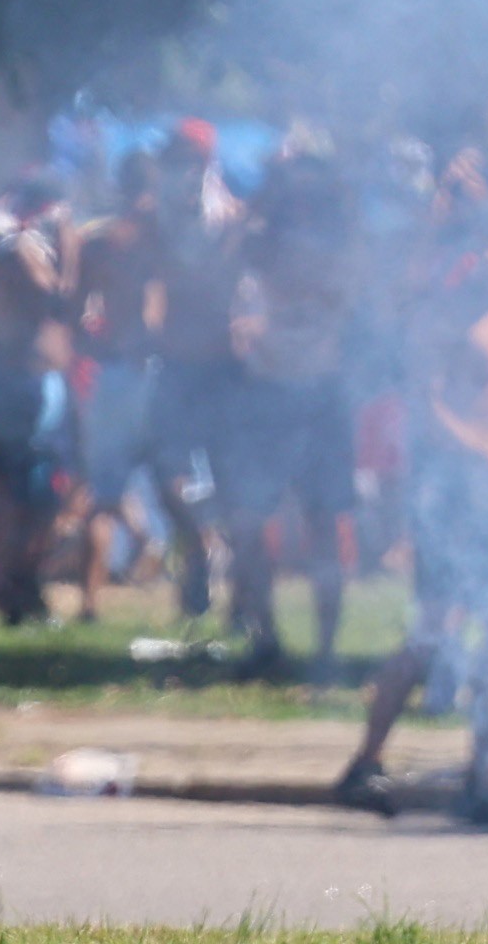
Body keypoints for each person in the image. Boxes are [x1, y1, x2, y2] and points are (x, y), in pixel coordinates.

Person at [338, 197, 488, 824]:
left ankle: (482, 773)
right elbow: (429, 410)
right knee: (432, 634)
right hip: (449, 492)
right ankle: (364, 762)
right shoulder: (444, 316)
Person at [218, 151, 364, 675]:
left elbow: (356, 247)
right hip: (266, 392)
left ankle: (327, 652)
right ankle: (266, 640)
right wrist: (263, 194)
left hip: (320, 393)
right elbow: (224, 254)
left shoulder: (342, 243)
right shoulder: (260, 245)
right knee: (249, 523)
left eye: (310, 192)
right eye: (292, 192)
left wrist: (331, 183)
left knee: (325, 524)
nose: (301, 201)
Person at [0, 179, 76, 626]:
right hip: (28, 382)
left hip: (12, 379)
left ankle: (9, 585)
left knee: (15, 491)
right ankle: (20, 588)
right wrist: (68, 249)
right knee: (40, 494)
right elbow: (59, 299)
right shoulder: (20, 250)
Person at [139, 123, 240, 621]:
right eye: (170, 157)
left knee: (233, 478)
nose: (175, 167)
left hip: (223, 368)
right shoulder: (155, 217)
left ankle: (243, 595)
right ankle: (198, 548)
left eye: (184, 157)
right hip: (176, 365)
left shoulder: (229, 218)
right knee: (166, 474)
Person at [72, 152, 167, 622]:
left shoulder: (99, 242)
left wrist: (94, 342)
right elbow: (154, 315)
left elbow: (74, 308)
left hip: (113, 370)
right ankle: (196, 583)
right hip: (155, 369)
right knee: (178, 482)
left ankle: (90, 602)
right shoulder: (161, 239)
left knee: (103, 492)